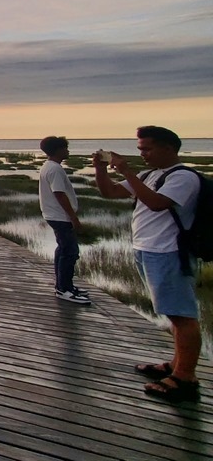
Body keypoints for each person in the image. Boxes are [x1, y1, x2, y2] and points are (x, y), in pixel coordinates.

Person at [93, 126, 202, 402]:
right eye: (140, 148)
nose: (143, 153)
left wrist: (126, 171)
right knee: (172, 312)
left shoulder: (183, 178)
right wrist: (101, 170)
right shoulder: (150, 175)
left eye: (147, 148)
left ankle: (184, 378)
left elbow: (155, 203)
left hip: (169, 252)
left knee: (182, 315)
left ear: (169, 148)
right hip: (148, 250)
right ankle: (175, 365)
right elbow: (111, 193)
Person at [39, 136, 89, 304]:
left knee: (63, 250)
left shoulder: (49, 166)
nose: (68, 151)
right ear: (58, 150)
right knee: (70, 252)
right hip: (60, 217)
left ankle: (63, 285)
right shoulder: (54, 169)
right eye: (65, 148)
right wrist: (74, 219)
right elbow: (59, 194)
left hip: (55, 215)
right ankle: (64, 289)